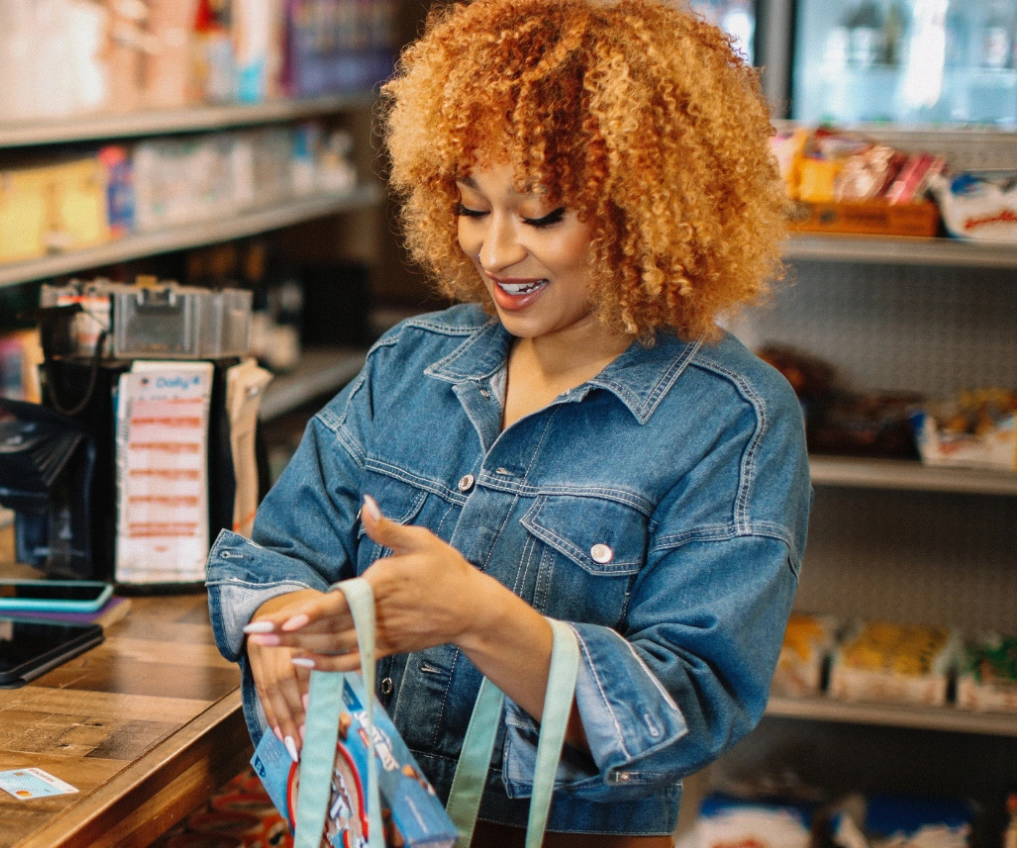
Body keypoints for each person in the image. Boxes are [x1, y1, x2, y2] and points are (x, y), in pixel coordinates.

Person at [205, 0, 808, 843]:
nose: (494, 252)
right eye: (471, 206)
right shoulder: (411, 364)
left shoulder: (732, 421)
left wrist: (481, 619)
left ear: (648, 209)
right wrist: (280, 617)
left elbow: (689, 708)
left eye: (542, 215)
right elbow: (274, 552)